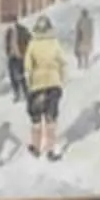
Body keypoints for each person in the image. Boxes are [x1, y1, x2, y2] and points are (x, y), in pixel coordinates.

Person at [22, 13, 67, 158]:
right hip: (53, 83)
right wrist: (61, 79)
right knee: (51, 117)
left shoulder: (33, 44)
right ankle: (51, 149)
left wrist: (29, 83)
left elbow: (28, 66)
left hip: (37, 84)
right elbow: (63, 62)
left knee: (36, 117)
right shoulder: (55, 43)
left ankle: (36, 146)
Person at [5, 18, 29, 106]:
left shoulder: (22, 30)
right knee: (12, 75)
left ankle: (26, 93)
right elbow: (7, 42)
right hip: (12, 56)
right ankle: (17, 93)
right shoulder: (9, 31)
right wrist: (8, 51)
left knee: (21, 75)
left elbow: (28, 39)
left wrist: (25, 51)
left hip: (20, 55)